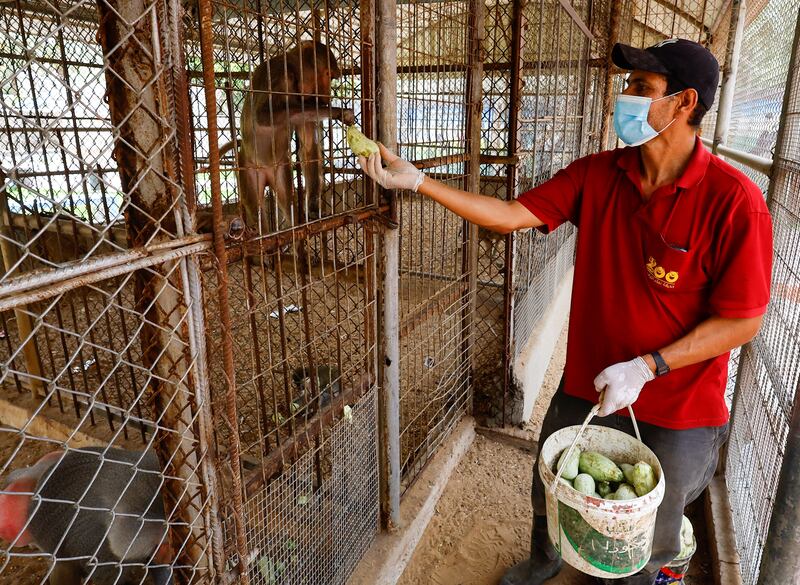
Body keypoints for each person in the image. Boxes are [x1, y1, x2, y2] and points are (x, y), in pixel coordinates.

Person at [358, 38, 773, 585]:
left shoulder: (734, 201)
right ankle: (542, 567)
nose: (623, 97)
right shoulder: (599, 174)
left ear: (684, 102)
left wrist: (647, 367)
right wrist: (419, 182)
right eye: (626, 85)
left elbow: (743, 320)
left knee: (639, 537)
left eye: (641, 88)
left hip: (679, 404)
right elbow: (509, 214)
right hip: (588, 381)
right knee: (552, 490)